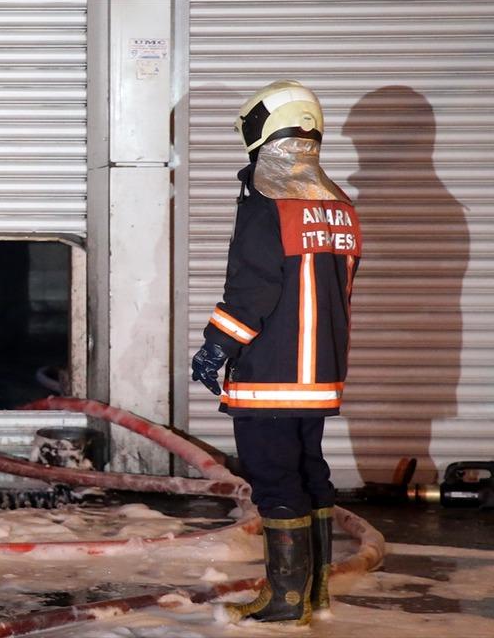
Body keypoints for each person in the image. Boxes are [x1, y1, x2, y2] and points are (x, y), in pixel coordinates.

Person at [191, 80, 362, 625]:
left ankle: (285, 598)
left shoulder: (268, 206)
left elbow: (253, 291)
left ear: (264, 131)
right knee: (311, 472)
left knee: (274, 478)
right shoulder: (340, 206)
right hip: (321, 376)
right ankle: (315, 594)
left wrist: (215, 346)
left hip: (271, 374)